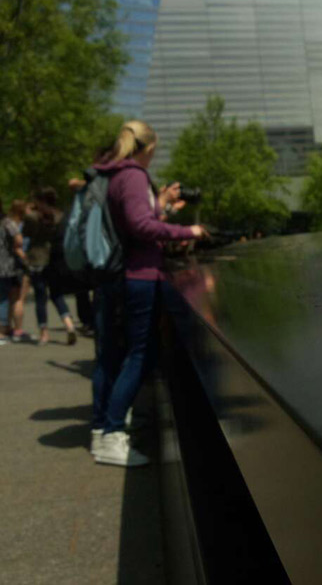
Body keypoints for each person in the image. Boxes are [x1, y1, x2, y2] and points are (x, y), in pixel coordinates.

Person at [91, 120, 207, 467]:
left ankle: (106, 426)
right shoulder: (134, 175)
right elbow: (140, 225)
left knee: (122, 353)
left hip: (126, 274)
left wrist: (163, 205)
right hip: (140, 275)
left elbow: (136, 218)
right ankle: (112, 435)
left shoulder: (114, 175)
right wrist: (188, 229)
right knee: (141, 353)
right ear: (148, 148)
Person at [23, 187, 78, 346]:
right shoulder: (60, 216)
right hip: (54, 259)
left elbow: (26, 234)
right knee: (57, 294)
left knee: (41, 298)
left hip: (36, 259)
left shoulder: (32, 217)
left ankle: (44, 333)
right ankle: (69, 324)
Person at [0, 200, 30, 343]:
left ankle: (6, 328)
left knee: (5, 297)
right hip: (6, 265)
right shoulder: (7, 222)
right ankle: (4, 330)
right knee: (8, 298)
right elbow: (18, 240)